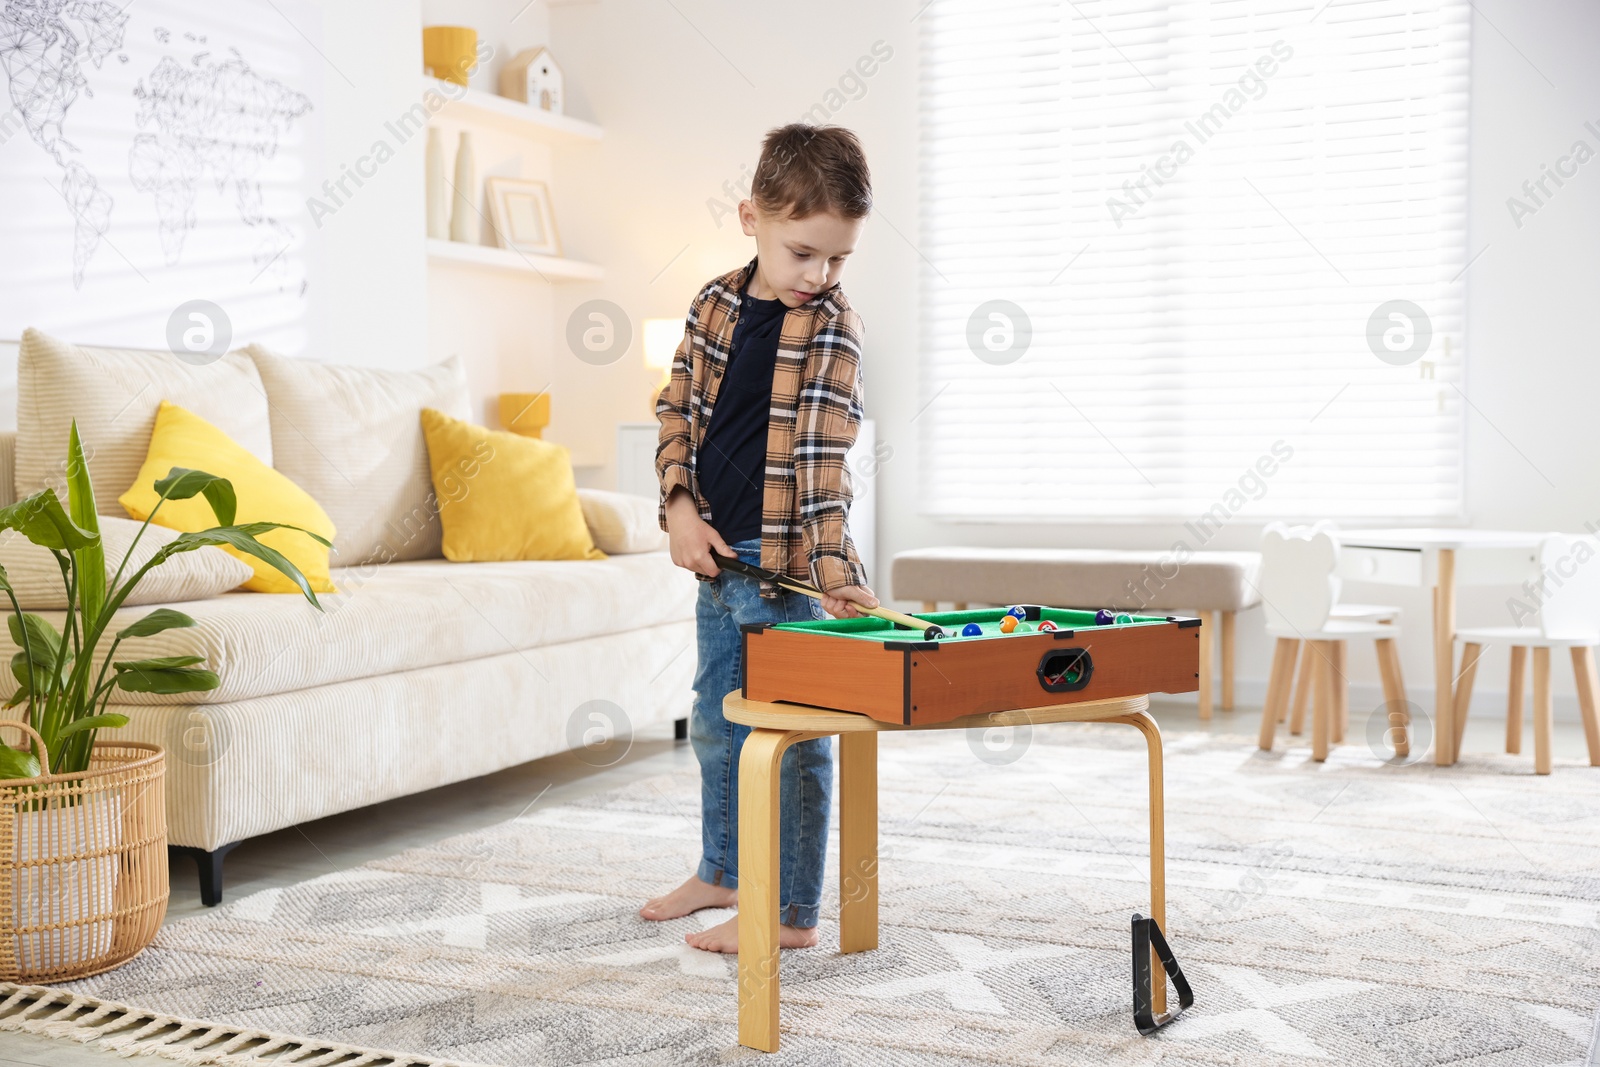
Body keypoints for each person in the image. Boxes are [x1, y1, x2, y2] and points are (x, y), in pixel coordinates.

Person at [641, 123, 878, 954]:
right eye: (803, 252)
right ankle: (723, 869)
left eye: (837, 259)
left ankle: (787, 913)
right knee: (716, 724)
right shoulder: (712, 305)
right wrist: (677, 506)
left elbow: (821, 463)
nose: (819, 276)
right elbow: (675, 411)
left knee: (792, 745)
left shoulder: (832, 332)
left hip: (788, 579)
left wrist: (837, 572)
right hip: (718, 567)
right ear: (751, 217)